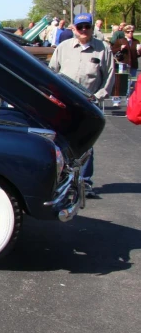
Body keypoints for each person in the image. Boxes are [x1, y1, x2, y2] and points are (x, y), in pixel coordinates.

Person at [49, 13, 114, 198]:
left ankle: (85, 182)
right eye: (80, 27)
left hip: (88, 104)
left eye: (87, 26)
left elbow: (109, 79)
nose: (84, 30)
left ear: (92, 28)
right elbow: (51, 73)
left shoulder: (103, 49)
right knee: (59, 141)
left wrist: (97, 97)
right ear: (74, 29)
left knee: (86, 144)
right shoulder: (63, 48)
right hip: (64, 103)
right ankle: (61, 180)